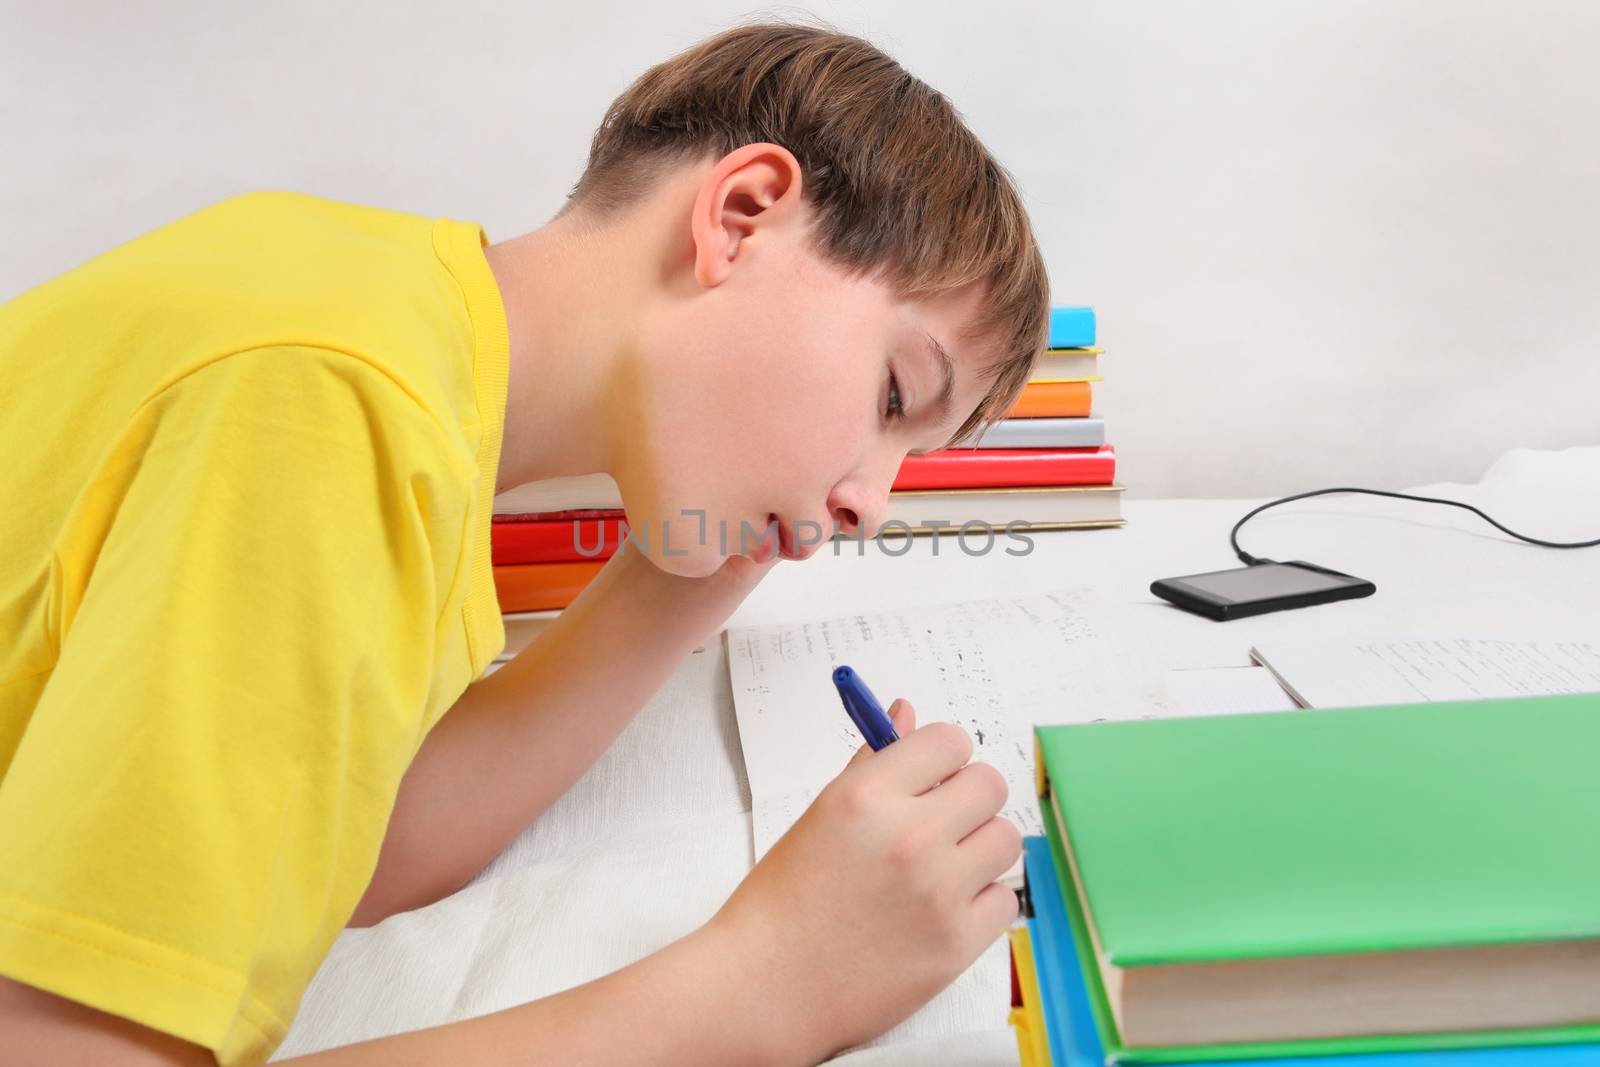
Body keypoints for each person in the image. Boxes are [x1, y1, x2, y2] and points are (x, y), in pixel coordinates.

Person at [0, 20, 1049, 1066]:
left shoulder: (366, 302)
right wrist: (767, 980)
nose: (875, 502)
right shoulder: (333, 402)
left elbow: (327, 845)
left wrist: (705, 560)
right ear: (739, 217)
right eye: (893, 394)